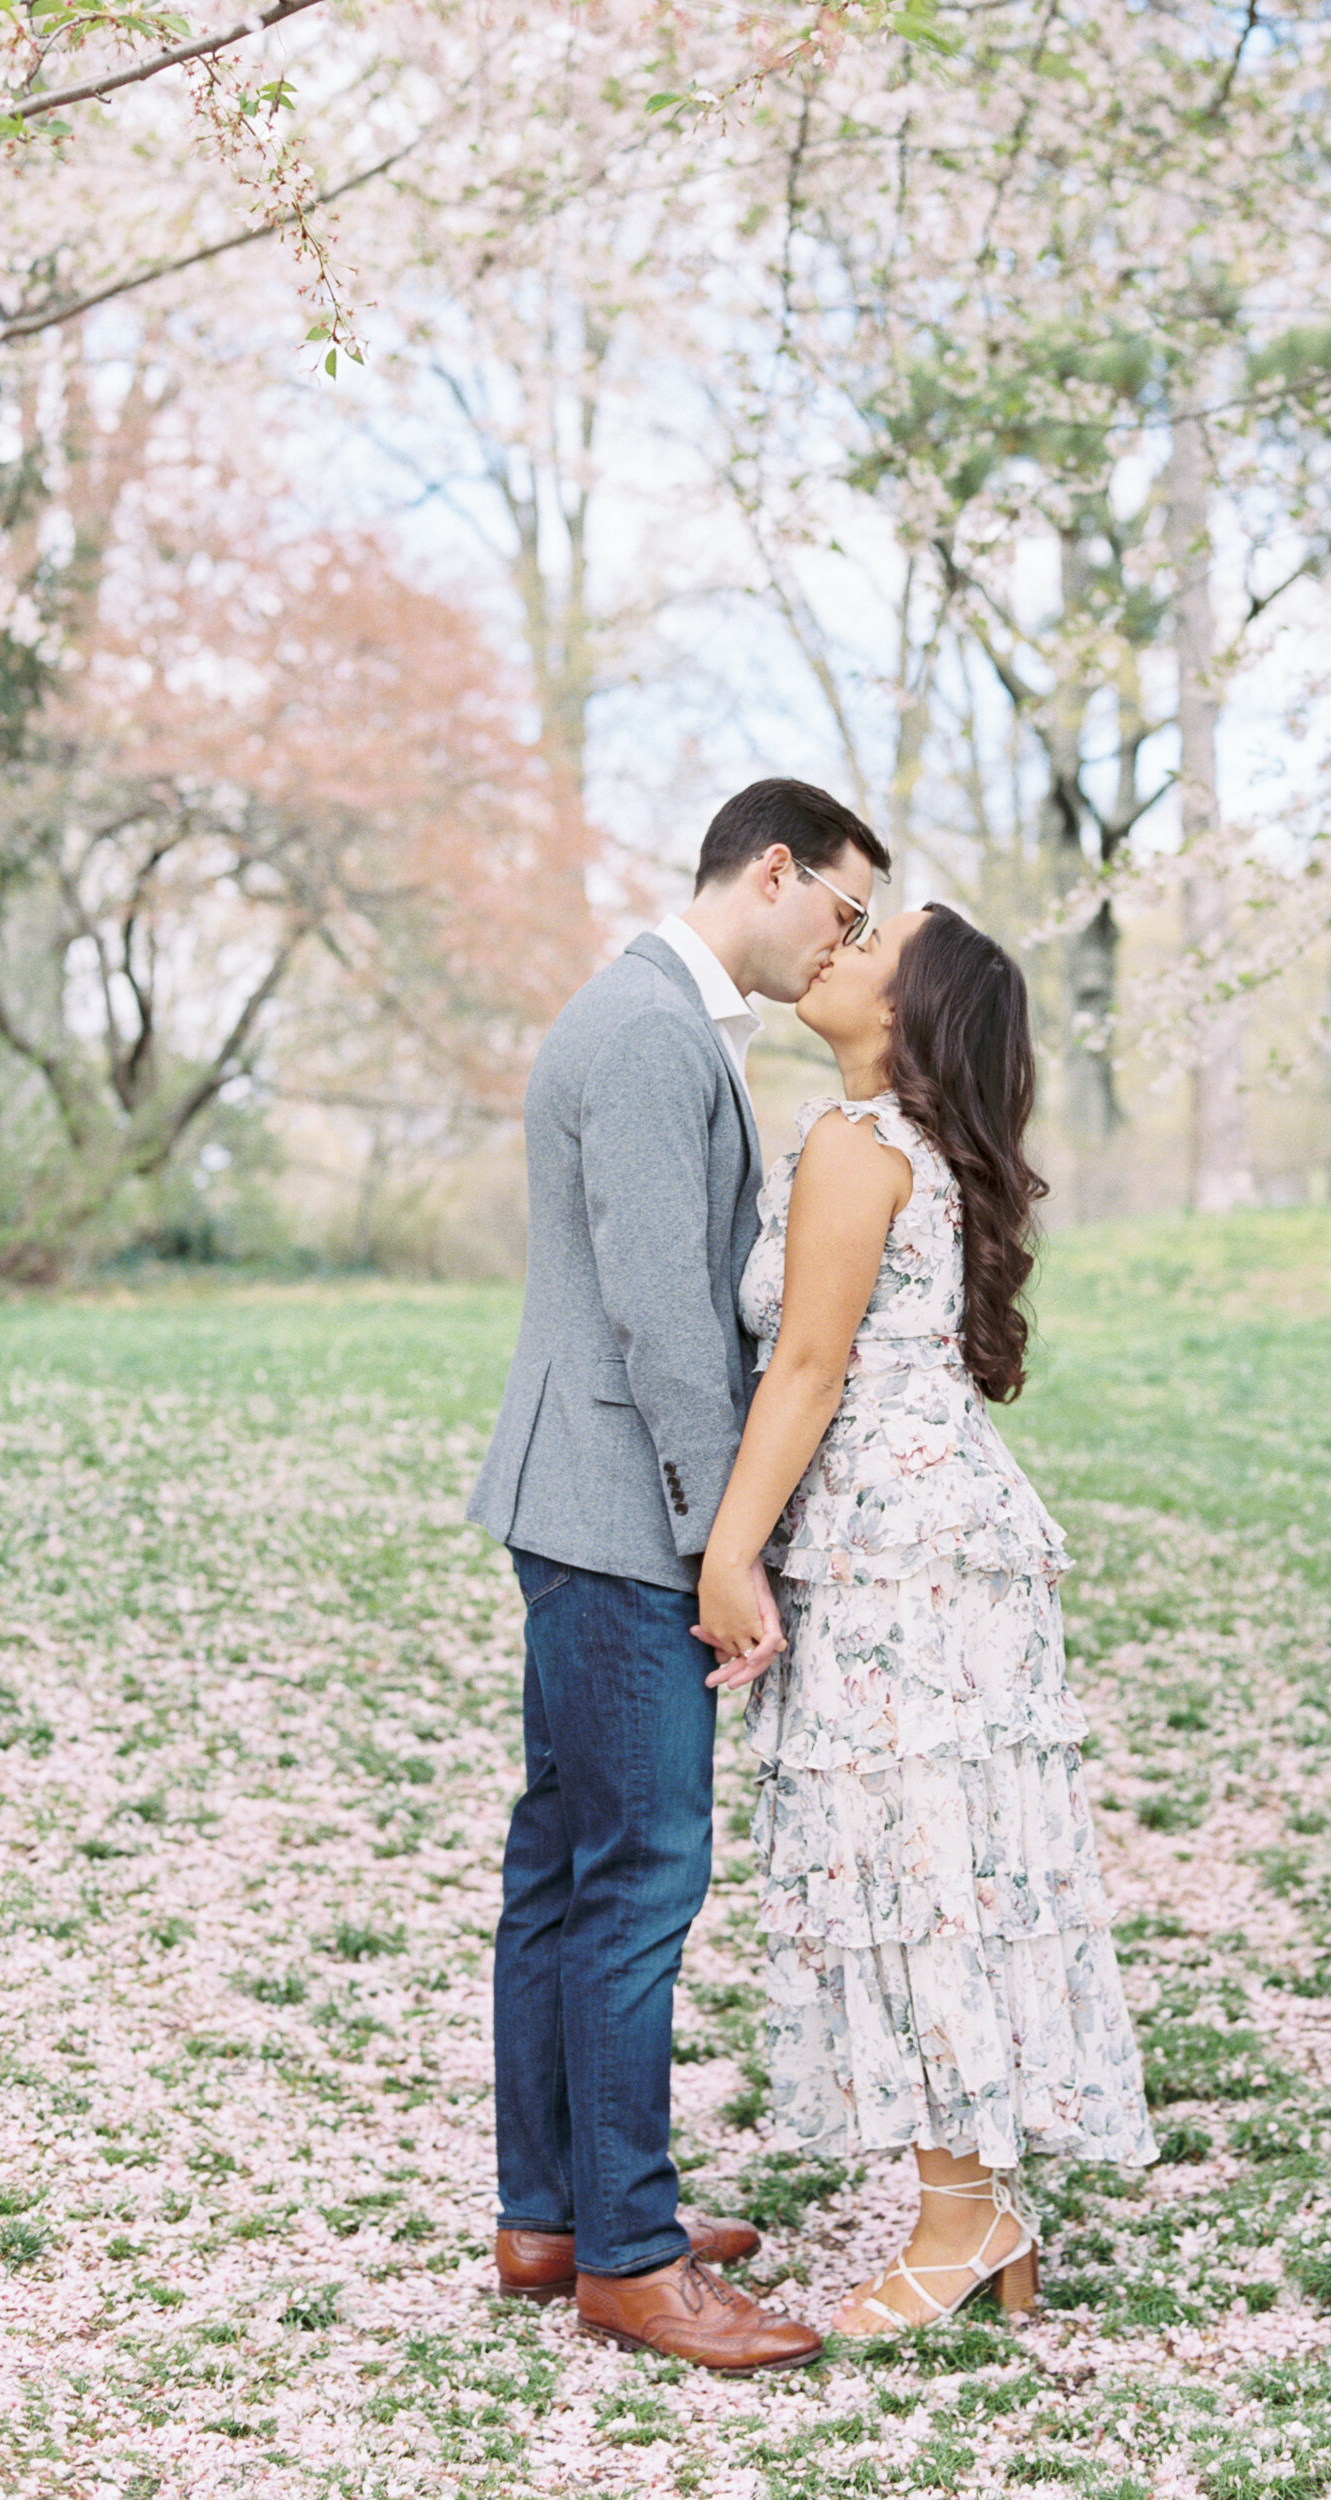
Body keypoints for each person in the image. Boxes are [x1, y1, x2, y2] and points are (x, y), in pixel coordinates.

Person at [467, 778, 891, 2372]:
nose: (845, 941)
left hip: (572, 1497)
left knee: (566, 1869)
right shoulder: (652, 1034)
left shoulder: (642, 1014)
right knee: (638, 1875)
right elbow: (662, 1321)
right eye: (843, 909)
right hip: (617, 1516)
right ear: (772, 870)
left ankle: (554, 2213)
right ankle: (629, 2258)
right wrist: (727, 1546)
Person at [694, 903, 1158, 2333]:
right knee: (941, 1864)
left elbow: (812, 1366)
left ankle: (966, 2215)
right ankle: (978, 2207)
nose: (833, 942)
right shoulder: (906, 1149)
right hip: (937, 1531)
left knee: (918, 1867)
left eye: (870, 939)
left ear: (911, 1010)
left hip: (899, 1551)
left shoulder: (857, 1146)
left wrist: (728, 1554)